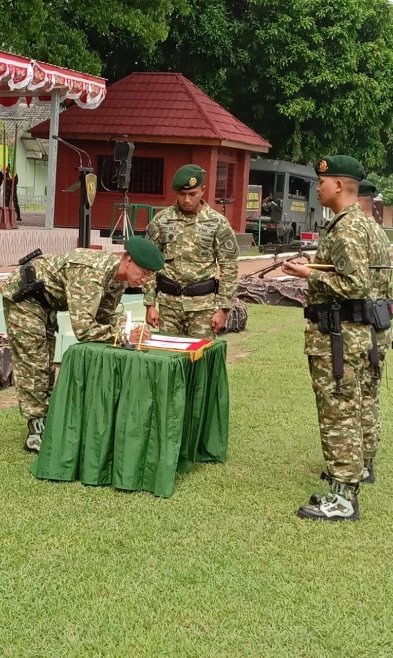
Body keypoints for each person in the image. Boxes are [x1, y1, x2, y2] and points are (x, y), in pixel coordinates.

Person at [282, 155, 391, 522]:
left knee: (338, 415)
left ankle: (343, 498)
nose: (318, 187)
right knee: (353, 409)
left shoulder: (347, 228)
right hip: (355, 335)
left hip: (338, 337)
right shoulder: (359, 225)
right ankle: (351, 479)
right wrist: (314, 267)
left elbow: (355, 283)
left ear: (340, 185)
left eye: (322, 182)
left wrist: (308, 275)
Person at [2, 237, 164, 453]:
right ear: (128, 260)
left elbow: (105, 316)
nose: (144, 280)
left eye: (148, 276)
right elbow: (84, 329)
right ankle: (35, 430)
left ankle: (48, 420)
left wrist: (129, 328)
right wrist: (124, 337)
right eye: (142, 273)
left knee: (47, 363)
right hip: (25, 299)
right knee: (34, 363)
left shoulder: (118, 278)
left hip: (45, 302)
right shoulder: (91, 273)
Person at [143, 164, 239, 338]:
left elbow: (229, 267)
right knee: (169, 357)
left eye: (192, 194)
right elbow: (149, 264)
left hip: (203, 307)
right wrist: (150, 304)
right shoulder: (161, 220)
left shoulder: (218, 223)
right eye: (181, 194)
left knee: (200, 358)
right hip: (168, 304)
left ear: (203, 190)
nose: (186, 199)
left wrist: (223, 310)